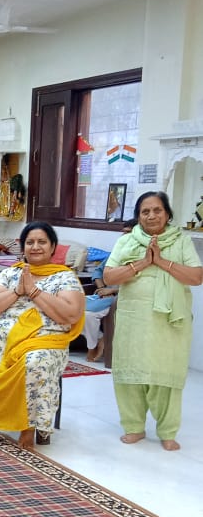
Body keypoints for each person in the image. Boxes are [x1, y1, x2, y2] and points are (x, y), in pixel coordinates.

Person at [0, 221, 85, 450]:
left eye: (42, 242)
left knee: (34, 365)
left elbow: (70, 314)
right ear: (23, 247)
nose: (35, 247)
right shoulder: (11, 274)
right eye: (30, 242)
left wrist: (34, 291)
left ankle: (27, 429)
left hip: (41, 341)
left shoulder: (65, 278)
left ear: (53, 247)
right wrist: (18, 291)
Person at [103, 191, 202, 450]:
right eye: (145, 211)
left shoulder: (181, 241)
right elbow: (110, 277)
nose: (151, 216)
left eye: (157, 210)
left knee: (166, 374)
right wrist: (144, 263)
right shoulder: (127, 241)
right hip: (133, 319)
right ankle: (133, 426)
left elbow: (196, 277)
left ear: (167, 214)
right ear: (138, 216)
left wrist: (162, 261)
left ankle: (168, 431)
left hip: (169, 323)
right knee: (130, 374)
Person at [83, 254, 118, 362]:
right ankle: (100, 338)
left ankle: (91, 347)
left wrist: (112, 291)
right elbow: (98, 272)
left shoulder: (139, 258)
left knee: (88, 315)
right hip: (103, 294)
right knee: (71, 309)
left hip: (121, 297)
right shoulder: (115, 254)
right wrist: (102, 288)